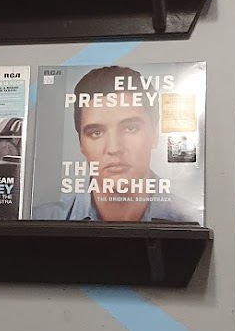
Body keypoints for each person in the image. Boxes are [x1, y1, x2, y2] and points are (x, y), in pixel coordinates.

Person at [31, 66, 195, 221]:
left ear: (155, 134)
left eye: (130, 128)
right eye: (96, 133)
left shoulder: (191, 219)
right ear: (81, 143)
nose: (114, 148)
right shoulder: (41, 219)